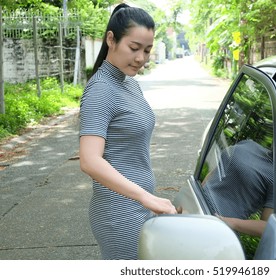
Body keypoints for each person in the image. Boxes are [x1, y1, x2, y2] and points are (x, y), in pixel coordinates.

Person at [79, 4, 176, 260]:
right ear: (111, 39)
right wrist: (146, 198)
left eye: (147, 50)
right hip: (118, 213)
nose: (141, 58)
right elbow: (89, 160)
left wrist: (147, 199)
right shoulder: (101, 89)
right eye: (134, 48)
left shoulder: (129, 84)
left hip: (138, 206)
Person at [202, 139, 273, 237]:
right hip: (196, 204)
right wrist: (198, 191)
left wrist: (226, 222)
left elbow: (268, 227)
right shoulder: (249, 143)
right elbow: (217, 170)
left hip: (214, 228)